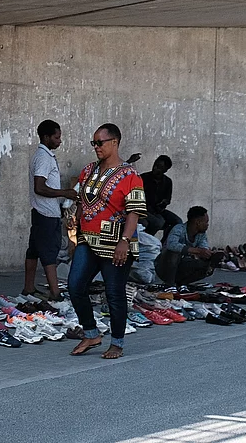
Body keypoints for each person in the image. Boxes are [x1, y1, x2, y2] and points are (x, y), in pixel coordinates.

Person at [68, 123, 147, 360]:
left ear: (114, 142)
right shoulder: (88, 170)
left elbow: (134, 212)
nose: (96, 147)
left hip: (116, 244)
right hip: (88, 240)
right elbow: (81, 200)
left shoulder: (131, 176)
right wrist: (74, 220)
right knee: (75, 285)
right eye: (93, 143)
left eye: (99, 143)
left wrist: (124, 241)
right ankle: (91, 332)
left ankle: (117, 342)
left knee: (114, 293)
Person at [24, 120, 78, 301]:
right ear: (46, 137)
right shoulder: (43, 158)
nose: (59, 141)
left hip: (44, 211)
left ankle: (29, 289)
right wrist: (65, 193)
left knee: (34, 251)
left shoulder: (44, 156)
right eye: (56, 137)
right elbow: (39, 187)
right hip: (45, 214)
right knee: (49, 253)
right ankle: (55, 293)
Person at [155, 206, 223, 285]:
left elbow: (203, 247)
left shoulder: (201, 234)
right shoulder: (179, 229)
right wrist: (196, 251)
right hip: (164, 267)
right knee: (173, 253)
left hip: (182, 266)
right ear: (198, 222)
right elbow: (171, 245)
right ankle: (169, 284)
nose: (207, 225)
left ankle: (181, 284)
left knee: (205, 266)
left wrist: (208, 254)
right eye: (206, 222)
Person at [138, 155, 182, 241]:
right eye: (155, 165)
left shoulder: (167, 182)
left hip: (158, 210)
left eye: (159, 167)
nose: (155, 168)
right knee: (158, 222)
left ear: (165, 170)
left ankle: (164, 244)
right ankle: (146, 241)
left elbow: (168, 199)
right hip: (143, 209)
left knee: (178, 222)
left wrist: (163, 203)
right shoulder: (143, 178)